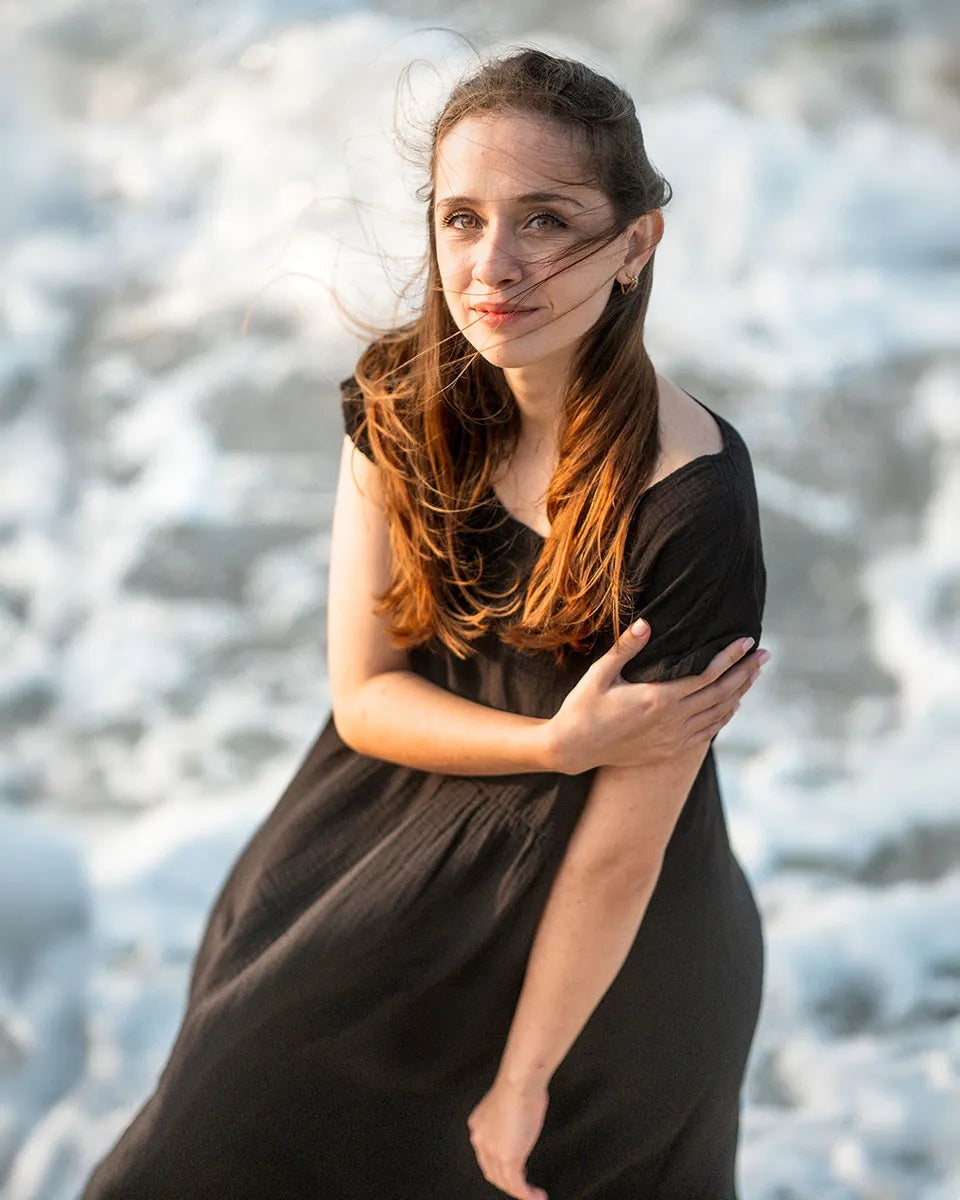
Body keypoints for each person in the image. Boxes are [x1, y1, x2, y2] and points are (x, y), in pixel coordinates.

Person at [82, 46, 770, 1200]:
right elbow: (365, 695)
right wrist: (551, 744)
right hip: (385, 863)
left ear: (636, 243)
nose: (493, 264)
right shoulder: (403, 400)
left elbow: (621, 853)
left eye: (546, 220)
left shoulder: (688, 502)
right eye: (463, 218)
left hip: (604, 972)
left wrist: (524, 1079)